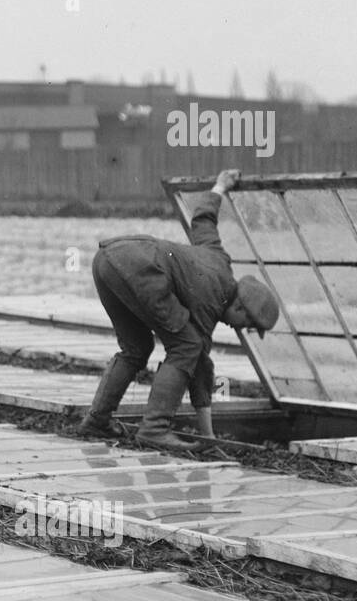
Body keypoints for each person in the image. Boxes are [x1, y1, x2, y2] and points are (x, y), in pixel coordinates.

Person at [77, 168, 280, 450]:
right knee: (187, 346)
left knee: (137, 347)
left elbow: (203, 219)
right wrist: (209, 437)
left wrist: (220, 186)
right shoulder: (210, 304)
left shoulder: (219, 258)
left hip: (108, 259)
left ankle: (97, 421)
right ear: (241, 307)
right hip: (142, 269)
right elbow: (199, 364)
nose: (236, 328)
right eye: (244, 323)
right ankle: (154, 429)